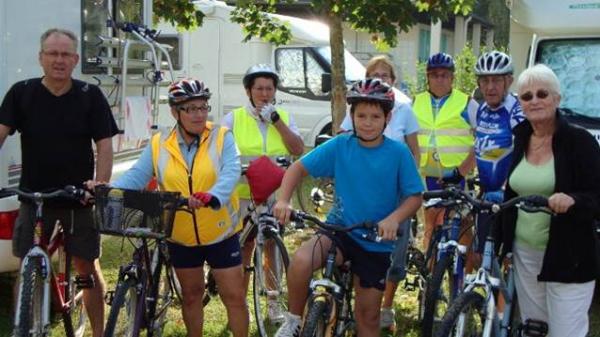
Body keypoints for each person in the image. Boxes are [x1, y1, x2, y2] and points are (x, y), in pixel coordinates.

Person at [273, 78, 424, 337]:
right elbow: (297, 169)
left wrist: (393, 219)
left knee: (368, 317)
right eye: (361, 115)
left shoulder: (398, 153)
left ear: (387, 118)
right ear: (351, 116)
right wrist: (283, 200)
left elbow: (414, 196)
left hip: (376, 240)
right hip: (340, 230)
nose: (367, 122)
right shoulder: (341, 145)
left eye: (375, 116)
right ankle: (294, 321)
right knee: (300, 260)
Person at [0, 28, 118, 337]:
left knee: (85, 269)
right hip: (34, 198)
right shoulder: (21, 92)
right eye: (52, 53)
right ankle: (24, 328)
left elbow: (105, 145)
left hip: (78, 199)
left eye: (66, 54)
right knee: (27, 268)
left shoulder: (89, 96)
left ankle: (97, 332)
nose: (59, 60)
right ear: (41, 58)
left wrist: (100, 184)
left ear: (76, 59)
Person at [112, 79, 247, 337]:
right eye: (190, 108)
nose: (199, 114)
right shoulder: (158, 144)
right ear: (175, 112)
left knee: (234, 296)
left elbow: (231, 172)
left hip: (220, 233)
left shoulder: (221, 137)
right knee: (191, 296)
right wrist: (107, 190)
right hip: (181, 235)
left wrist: (212, 196)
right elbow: (137, 176)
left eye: (203, 107)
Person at [499, 64, 600, 337]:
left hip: (569, 255)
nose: (534, 100)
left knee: (565, 331)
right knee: (534, 330)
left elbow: (596, 195)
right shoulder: (522, 137)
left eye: (542, 93)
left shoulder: (579, 141)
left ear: (557, 98)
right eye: (526, 96)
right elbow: (514, 190)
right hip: (525, 253)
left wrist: (574, 200)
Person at [338, 55, 420, 331]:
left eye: (385, 75)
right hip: (358, 197)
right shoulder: (358, 108)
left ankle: (386, 305)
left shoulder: (404, 109)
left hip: (393, 195)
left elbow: (413, 150)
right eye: (375, 73)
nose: (368, 121)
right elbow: (343, 144)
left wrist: (408, 181)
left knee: (392, 254)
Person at [221, 63, 304, 322]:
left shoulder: (284, 117)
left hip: (273, 196)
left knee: (272, 248)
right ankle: (240, 303)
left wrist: (276, 121)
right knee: (243, 248)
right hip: (244, 196)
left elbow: (298, 149)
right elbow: (220, 154)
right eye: (259, 89)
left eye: (269, 88)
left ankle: (272, 303)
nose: (265, 94)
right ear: (249, 91)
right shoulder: (234, 118)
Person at [412, 52, 478, 254]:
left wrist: (465, 168)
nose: (439, 79)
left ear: (452, 78)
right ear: (428, 77)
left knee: (463, 227)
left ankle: (459, 280)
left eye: (444, 75)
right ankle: (432, 278)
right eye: (435, 75)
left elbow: (482, 139)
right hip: (427, 176)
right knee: (431, 228)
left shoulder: (467, 102)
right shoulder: (415, 102)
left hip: (459, 175)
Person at [473, 51, 525, 253]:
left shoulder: (516, 111)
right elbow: (479, 146)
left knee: (507, 256)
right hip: (486, 195)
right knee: (482, 255)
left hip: (510, 197)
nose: (490, 87)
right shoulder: (481, 109)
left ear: (509, 81)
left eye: (496, 80)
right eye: (484, 81)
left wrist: (506, 188)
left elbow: (526, 153)